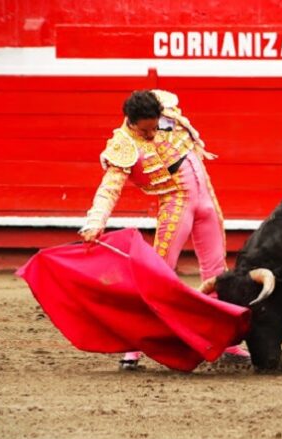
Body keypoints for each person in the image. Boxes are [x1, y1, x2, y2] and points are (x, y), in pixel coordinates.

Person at [80, 89, 250, 370]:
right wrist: (95, 222)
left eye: (154, 127)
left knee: (217, 272)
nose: (151, 135)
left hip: (207, 199)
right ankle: (133, 348)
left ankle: (226, 344)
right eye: (144, 131)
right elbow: (109, 188)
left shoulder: (167, 114)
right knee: (157, 275)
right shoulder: (123, 144)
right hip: (176, 204)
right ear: (131, 122)